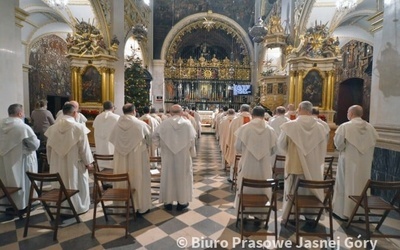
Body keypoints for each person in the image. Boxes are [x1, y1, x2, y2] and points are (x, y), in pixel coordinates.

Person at [278, 101, 329, 220]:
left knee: (293, 189)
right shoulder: (321, 127)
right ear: (310, 110)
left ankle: (291, 217)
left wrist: (290, 151)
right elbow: (323, 147)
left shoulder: (290, 126)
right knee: (310, 191)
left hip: (295, 164)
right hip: (314, 165)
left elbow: (281, 144)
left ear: (300, 108)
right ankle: (311, 217)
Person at [45, 103, 93, 214]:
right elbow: (84, 149)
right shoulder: (79, 127)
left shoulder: (52, 128)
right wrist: (88, 163)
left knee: (60, 183)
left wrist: (50, 162)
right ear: (75, 113)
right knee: (76, 182)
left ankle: (61, 206)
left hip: (57, 163)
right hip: (74, 164)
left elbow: (49, 148)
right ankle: (77, 207)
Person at [333, 105, 378, 220]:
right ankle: (361, 213)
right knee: (362, 184)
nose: (347, 114)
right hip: (364, 163)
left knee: (345, 183)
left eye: (348, 112)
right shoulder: (371, 128)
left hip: (348, 160)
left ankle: (343, 212)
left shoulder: (345, 127)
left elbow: (338, 144)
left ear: (351, 114)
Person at [233, 106, 277, 217]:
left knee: (246, 187)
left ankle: (244, 215)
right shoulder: (270, 130)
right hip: (264, 166)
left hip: (248, 164)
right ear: (264, 115)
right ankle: (260, 216)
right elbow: (273, 150)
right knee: (263, 189)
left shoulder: (244, 128)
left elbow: (237, 147)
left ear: (252, 115)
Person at [109, 103, 152, 214]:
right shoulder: (141, 124)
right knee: (138, 178)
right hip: (137, 156)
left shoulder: (115, 125)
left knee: (122, 177)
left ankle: (122, 206)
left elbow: (112, 139)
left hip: (121, 157)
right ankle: (139, 206)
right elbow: (149, 141)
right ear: (134, 111)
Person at [152, 104, 197, 211]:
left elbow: (154, 136)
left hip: (168, 155)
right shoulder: (187, 124)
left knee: (168, 176)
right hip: (183, 156)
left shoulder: (164, 123)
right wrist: (190, 150)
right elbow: (192, 139)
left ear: (170, 112)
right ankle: (182, 202)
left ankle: (168, 202)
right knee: (182, 177)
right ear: (181, 112)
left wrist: (161, 146)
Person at [0, 104, 40, 213]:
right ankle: (23, 204)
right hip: (22, 160)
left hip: (4, 160)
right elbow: (34, 145)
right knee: (23, 181)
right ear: (20, 113)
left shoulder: (1, 124)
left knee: (7, 180)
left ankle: (8, 204)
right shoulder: (23, 127)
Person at [225, 104, 252, 181]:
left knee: (235, 159)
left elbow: (230, 134)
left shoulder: (235, 121)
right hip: (249, 148)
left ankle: (233, 178)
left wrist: (228, 143)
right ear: (249, 110)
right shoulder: (252, 119)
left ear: (240, 110)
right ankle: (246, 178)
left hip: (236, 146)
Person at [92, 101, 119, 170]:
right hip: (112, 144)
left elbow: (94, 127)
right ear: (112, 108)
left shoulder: (98, 117)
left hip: (100, 144)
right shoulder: (116, 117)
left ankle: (101, 167)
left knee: (102, 153)